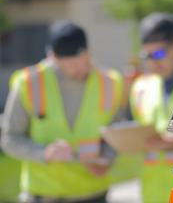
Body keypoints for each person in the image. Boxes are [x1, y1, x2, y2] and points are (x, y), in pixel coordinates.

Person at [1, 20, 123, 202]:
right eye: (74, 65)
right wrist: (44, 153)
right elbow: (9, 139)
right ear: (53, 58)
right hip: (45, 194)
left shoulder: (110, 81)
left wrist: (107, 158)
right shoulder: (28, 83)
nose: (83, 69)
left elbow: (117, 131)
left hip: (94, 193)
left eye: (86, 61)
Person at [129, 12, 173, 203]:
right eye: (146, 55)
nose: (152, 62)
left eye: (158, 53)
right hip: (153, 195)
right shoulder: (140, 87)